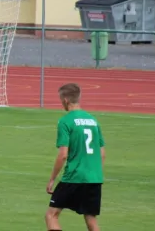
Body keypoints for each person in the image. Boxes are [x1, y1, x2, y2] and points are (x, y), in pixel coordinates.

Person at [45, 83, 105, 231]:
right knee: (91, 218)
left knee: (51, 215)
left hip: (74, 177)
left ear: (65, 100)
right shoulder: (93, 120)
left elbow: (63, 154)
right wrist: (93, 172)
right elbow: (102, 154)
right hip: (94, 178)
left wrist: (52, 178)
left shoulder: (65, 121)